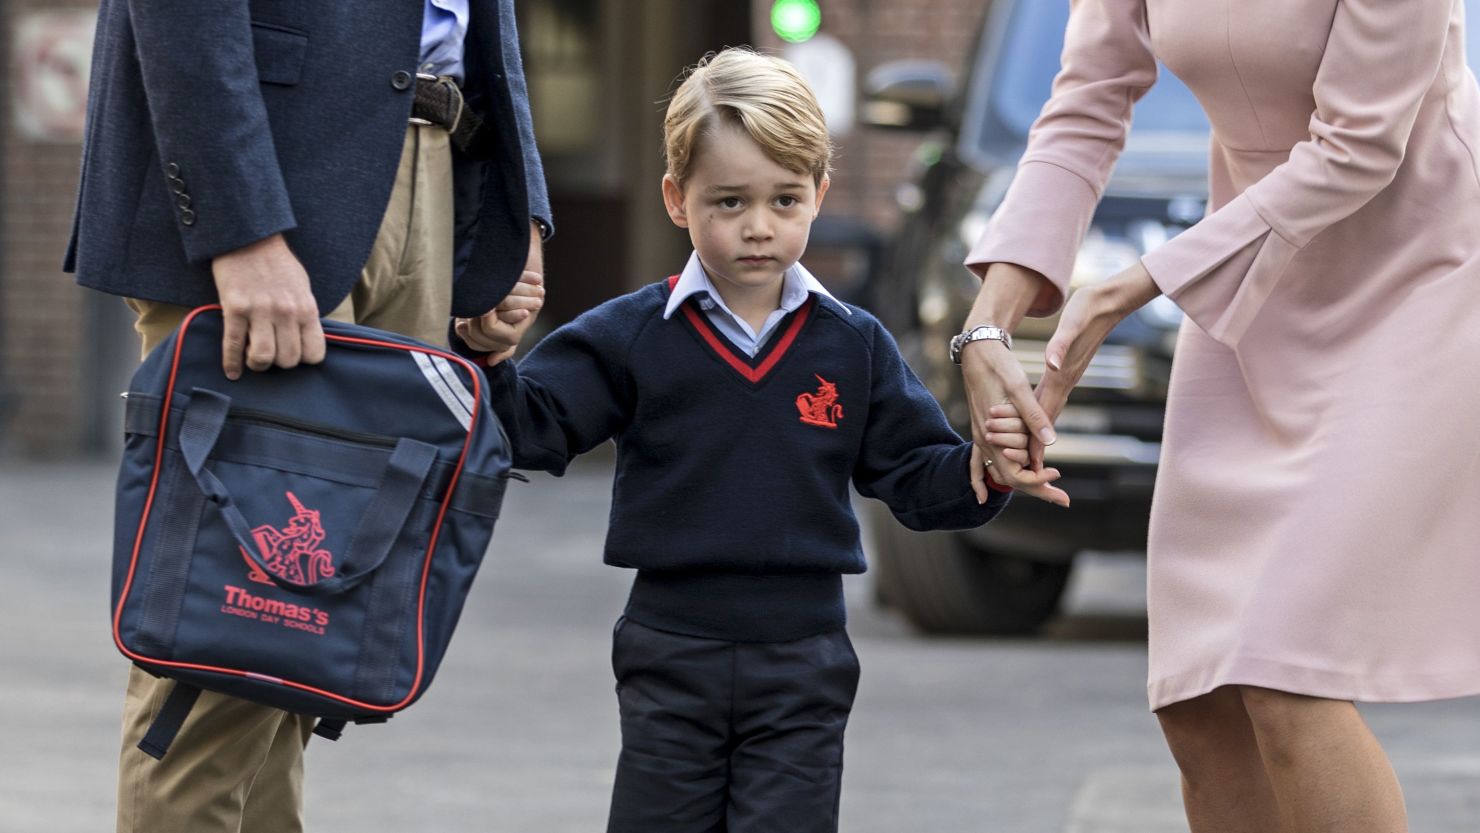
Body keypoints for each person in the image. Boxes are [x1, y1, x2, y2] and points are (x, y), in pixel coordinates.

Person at [456, 47, 1018, 833]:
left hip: (804, 657)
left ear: (819, 194)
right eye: (728, 202)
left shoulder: (853, 346)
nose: (758, 226)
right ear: (676, 199)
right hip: (668, 648)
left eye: (785, 199)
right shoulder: (630, 334)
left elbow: (919, 478)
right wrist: (490, 352)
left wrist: (985, 465)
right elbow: (530, 425)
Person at [957, 0, 1480, 829]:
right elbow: (1086, 102)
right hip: (1247, 273)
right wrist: (987, 326)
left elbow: (1358, 146)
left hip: (1415, 276)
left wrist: (1135, 285)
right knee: (1199, 698)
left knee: (1284, 670)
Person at [64, 2, 550, 831]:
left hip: (430, 155)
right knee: (219, 644)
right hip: (274, 175)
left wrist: (514, 212)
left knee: (299, 639)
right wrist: (238, 222)